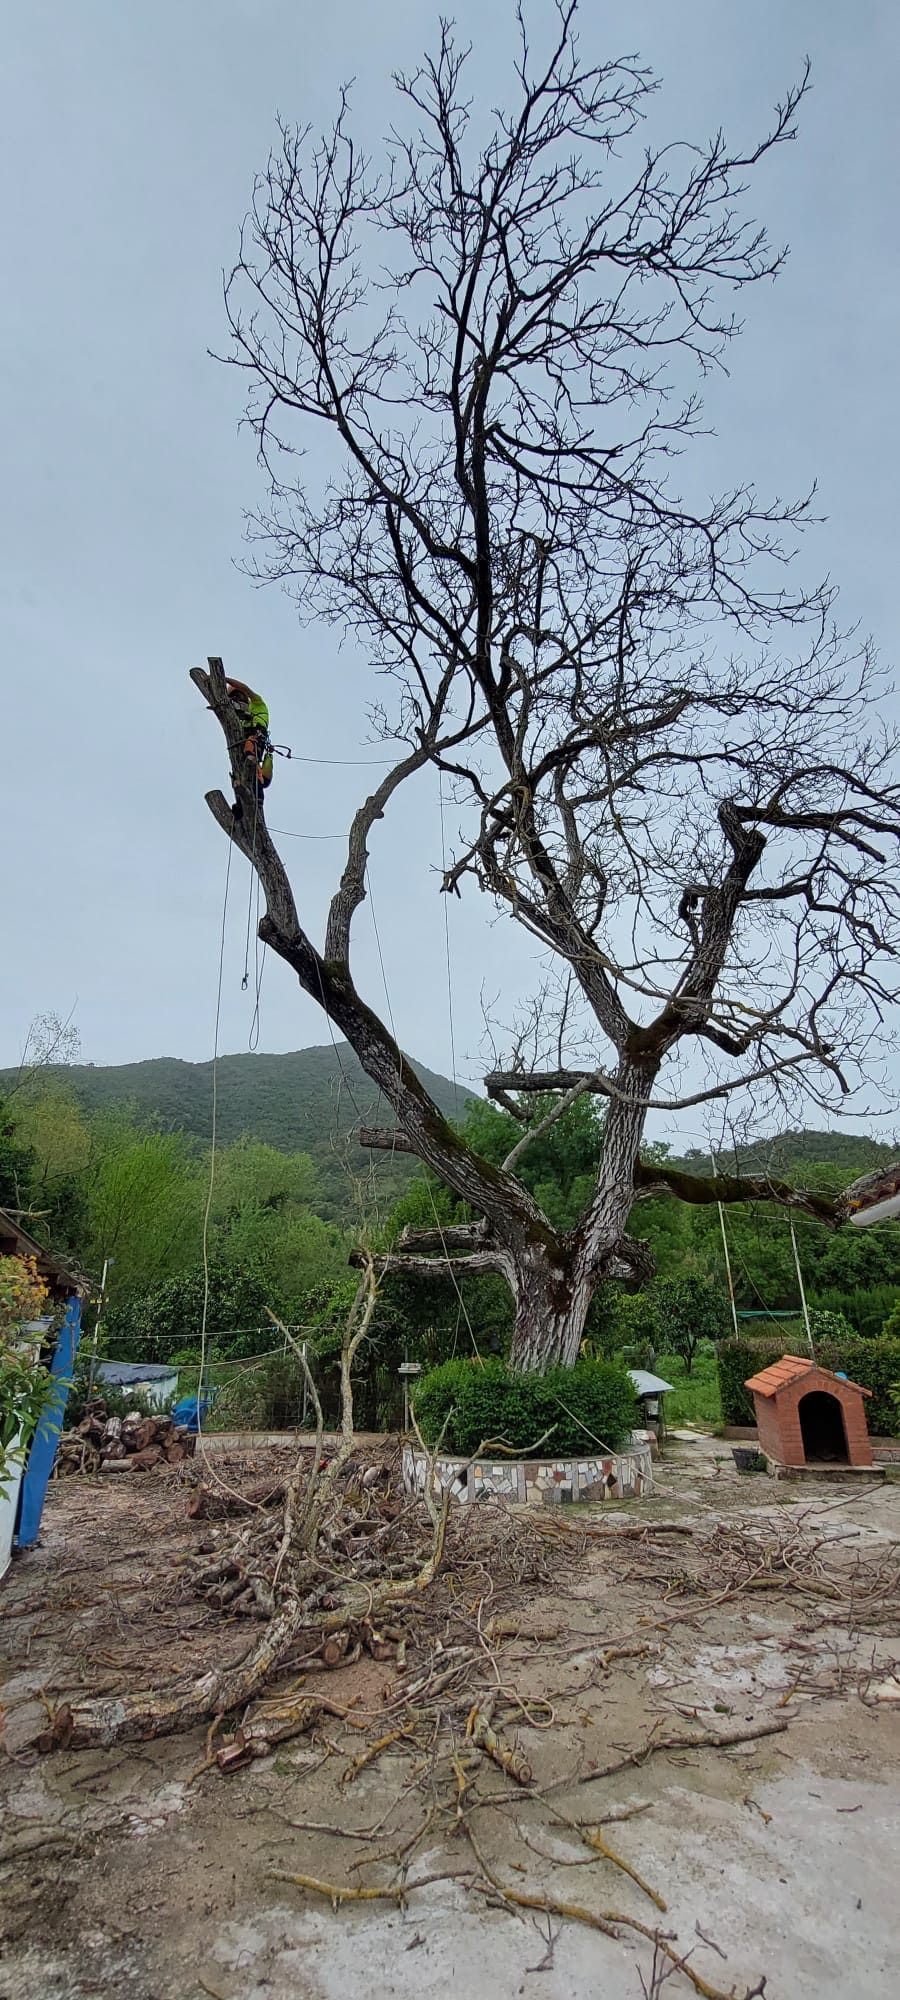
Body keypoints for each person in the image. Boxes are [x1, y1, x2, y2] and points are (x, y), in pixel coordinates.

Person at [225, 677, 273, 812]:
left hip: (255, 738)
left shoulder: (258, 704)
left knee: (250, 759)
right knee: (239, 770)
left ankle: (257, 799)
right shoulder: (237, 718)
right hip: (243, 744)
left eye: (238, 696)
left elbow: (245, 688)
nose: (235, 700)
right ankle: (241, 805)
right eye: (233, 698)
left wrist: (224, 679)